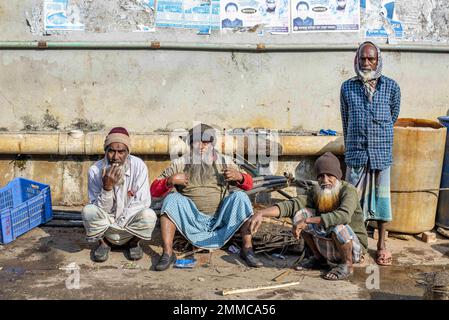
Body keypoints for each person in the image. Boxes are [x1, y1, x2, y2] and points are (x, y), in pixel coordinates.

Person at [151, 123, 262, 271]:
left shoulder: (224, 161)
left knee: (240, 197)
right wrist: (169, 181)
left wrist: (240, 176)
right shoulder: (180, 163)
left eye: (205, 142)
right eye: (196, 141)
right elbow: (154, 191)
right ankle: (167, 253)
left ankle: (247, 249)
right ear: (190, 144)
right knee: (171, 200)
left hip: (219, 219)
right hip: (192, 219)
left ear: (212, 143)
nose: (201, 146)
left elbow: (249, 185)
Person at [249, 152, 368, 280]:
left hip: (354, 249)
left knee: (337, 225)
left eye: (330, 175)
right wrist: (261, 213)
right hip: (330, 246)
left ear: (338, 176)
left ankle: (347, 265)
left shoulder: (348, 190)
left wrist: (309, 220)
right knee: (300, 215)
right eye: (321, 176)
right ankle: (319, 258)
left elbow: (343, 216)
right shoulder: (316, 191)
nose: (325, 180)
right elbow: (292, 205)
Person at [340, 41, 401, 266]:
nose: (367, 63)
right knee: (352, 202)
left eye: (371, 59)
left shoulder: (391, 87)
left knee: (382, 203)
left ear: (378, 60)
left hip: (381, 153)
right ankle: (358, 244)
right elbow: (346, 122)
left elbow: (393, 116)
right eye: (363, 58)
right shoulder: (347, 87)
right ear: (357, 60)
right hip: (356, 153)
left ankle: (382, 245)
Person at [81, 127, 157, 262]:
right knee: (88, 211)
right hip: (106, 226)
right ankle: (104, 244)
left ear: (128, 152)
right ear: (105, 151)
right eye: (111, 151)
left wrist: (120, 223)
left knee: (149, 214)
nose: (116, 157)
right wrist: (107, 188)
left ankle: (134, 243)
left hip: (129, 225)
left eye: (121, 152)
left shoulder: (139, 166)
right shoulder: (94, 170)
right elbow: (98, 209)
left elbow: (143, 202)